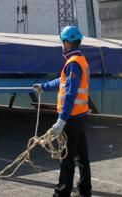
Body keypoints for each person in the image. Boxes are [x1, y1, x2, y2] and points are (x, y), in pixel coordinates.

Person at [33, 25, 91, 197]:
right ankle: (84, 192)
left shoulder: (73, 63)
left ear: (66, 43)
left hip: (71, 119)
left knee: (66, 158)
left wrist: (62, 120)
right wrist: (44, 87)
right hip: (81, 116)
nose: (61, 46)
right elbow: (62, 80)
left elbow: (70, 94)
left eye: (62, 42)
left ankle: (61, 193)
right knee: (82, 156)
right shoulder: (80, 61)